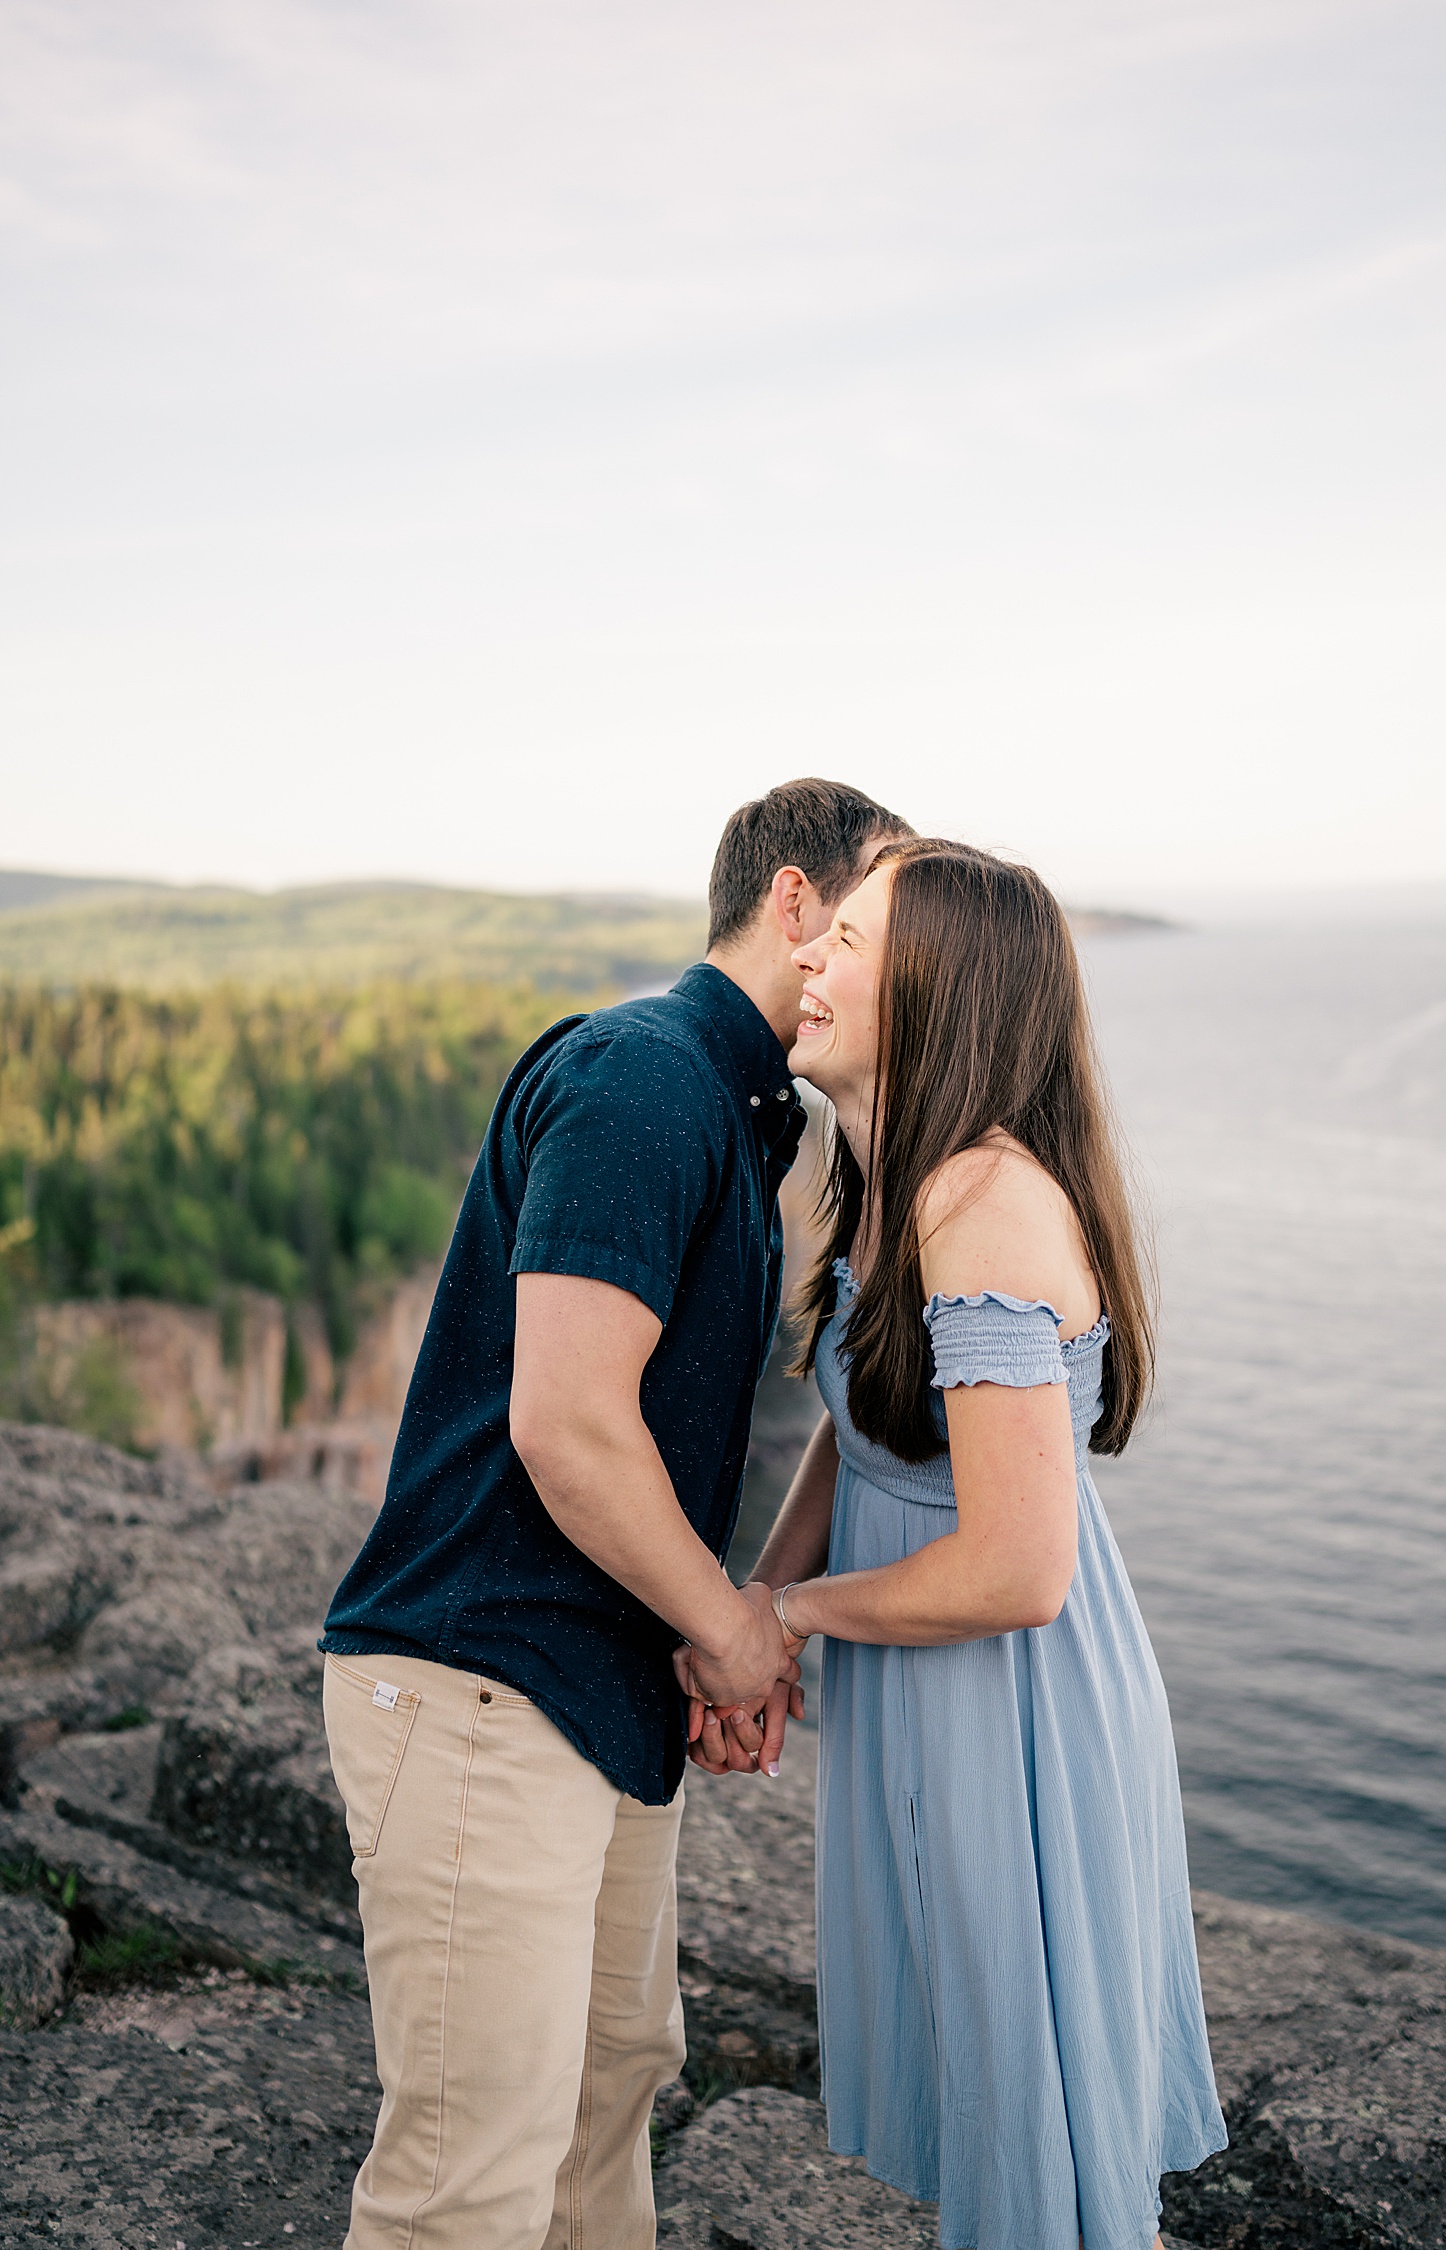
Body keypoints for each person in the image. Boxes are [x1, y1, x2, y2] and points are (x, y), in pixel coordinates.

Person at [319, 777, 910, 2250]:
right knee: (469, 2189)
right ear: (793, 903)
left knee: (604, 2113)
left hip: (595, 1695)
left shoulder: (754, 1118)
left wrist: (718, 1629)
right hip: (483, 1684)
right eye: (872, 912)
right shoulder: (646, 1075)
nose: (889, 953)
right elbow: (569, 1425)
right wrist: (734, 1629)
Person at [682, 838, 1228, 2250]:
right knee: (990, 2103)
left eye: (848, 942)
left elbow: (1014, 1570)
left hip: (1011, 1705)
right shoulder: (887, 1178)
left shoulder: (978, 1205)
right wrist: (764, 1594)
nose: (807, 955)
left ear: (940, 991)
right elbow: (864, 1421)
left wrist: (786, 1626)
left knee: (1037, 2152)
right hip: (928, 1678)